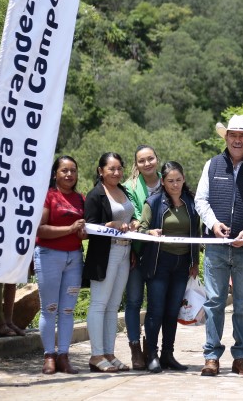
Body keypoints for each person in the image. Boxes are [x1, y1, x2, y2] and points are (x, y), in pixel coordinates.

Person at [195, 114, 243, 377]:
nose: (237, 140)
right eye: (233, 135)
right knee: (214, 301)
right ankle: (211, 356)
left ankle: (241, 357)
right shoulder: (212, 165)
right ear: (226, 137)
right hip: (215, 246)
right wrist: (214, 224)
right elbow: (201, 200)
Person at [139, 161, 200, 373]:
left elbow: (196, 233)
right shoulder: (154, 202)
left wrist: (195, 262)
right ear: (163, 182)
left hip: (183, 264)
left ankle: (167, 354)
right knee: (156, 309)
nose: (175, 185)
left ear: (184, 179)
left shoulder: (191, 202)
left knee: (173, 310)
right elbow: (141, 227)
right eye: (170, 181)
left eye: (179, 180)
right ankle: (152, 355)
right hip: (159, 262)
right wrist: (150, 233)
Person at [83, 152, 139, 373]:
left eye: (119, 168)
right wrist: (112, 224)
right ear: (100, 171)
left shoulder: (123, 190)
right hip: (104, 255)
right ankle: (96, 355)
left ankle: (109, 353)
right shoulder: (95, 195)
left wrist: (132, 223)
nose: (116, 172)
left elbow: (129, 216)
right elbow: (90, 227)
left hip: (125, 252)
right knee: (99, 304)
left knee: (114, 306)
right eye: (111, 169)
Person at [34, 156, 86, 375]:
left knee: (67, 310)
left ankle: (64, 355)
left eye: (73, 171)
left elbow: (82, 231)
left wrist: (82, 233)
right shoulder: (47, 196)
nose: (69, 175)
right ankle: (49, 356)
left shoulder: (81, 199)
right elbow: (40, 229)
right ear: (55, 173)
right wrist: (70, 229)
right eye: (64, 170)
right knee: (50, 308)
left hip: (74, 258)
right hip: (48, 256)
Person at [123, 144, 162, 371]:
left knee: (156, 304)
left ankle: (151, 349)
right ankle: (135, 350)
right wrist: (146, 231)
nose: (147, 163)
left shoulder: (167, 180)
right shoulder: (130, 186)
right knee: (134, 301)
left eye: (150, 159)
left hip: (162, 254)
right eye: (142, 160)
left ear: (156, 159)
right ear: (136, 164)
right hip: (136, 252)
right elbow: (136, 217)